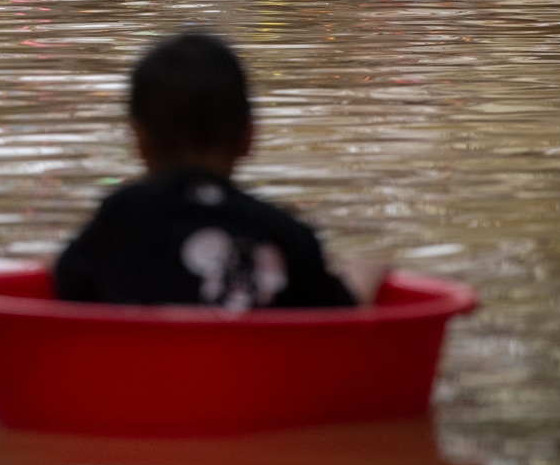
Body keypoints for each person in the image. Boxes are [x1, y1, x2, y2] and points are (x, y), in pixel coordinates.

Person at [53, 34, 368, 309]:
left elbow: (65, 286)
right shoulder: (285, 235)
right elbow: (340, 317)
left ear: (139, 139)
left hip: (140, 377)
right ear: (248, 137)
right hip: (256, 378)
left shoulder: (119, 220)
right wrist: (367, 274)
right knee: (368, 268)